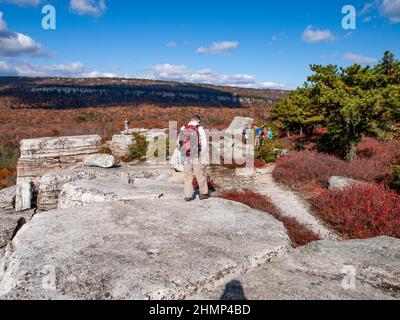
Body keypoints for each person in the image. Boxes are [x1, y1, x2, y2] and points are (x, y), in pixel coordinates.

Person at [178, 115, 209, 202]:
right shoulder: (199, 128)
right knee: (200, 174)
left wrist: (182, 153)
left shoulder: (183, 127)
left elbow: (179, 142)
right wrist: (202, 154)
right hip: (196, 154)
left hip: (186, 154)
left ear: (190, 120)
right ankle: (203, 193)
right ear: (198, 120)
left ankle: (188, 196)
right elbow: (204, 144)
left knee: (188, 176)